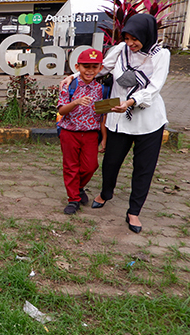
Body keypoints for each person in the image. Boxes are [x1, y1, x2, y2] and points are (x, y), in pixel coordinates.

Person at [63, 13, 170, 232]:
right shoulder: (121, 49)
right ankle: (105, 193)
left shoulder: (161, 55)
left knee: (143, 168)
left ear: (146, 35)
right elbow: (98, 68)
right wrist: (73, 76)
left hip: (148, 119)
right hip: (118, 115)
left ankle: (134, 211)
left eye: (134, 39)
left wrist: (131, 101)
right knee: (110, 162)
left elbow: (154, 87)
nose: (130, 43)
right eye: (127, 38)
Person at [57, 48, 107, 215]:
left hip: (91, 134)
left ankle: (78, 187)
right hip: (69, 133)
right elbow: (62, 111)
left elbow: (101, 115)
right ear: (77, 66)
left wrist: (104, 137)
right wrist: (76, 102)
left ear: (100, 68)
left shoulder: (100, 89)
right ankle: (73, 200)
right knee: (71, 166)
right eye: (86, 66)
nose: (90, 70)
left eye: (94, 66)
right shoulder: (69, 85)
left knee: (91, 166)